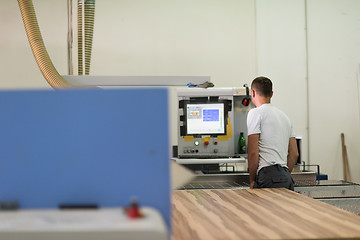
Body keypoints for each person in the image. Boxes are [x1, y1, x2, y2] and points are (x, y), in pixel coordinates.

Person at [247, 76, 299, 190]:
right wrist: (283, 175)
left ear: (253, 92)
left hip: (267, 176)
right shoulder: (285, 117)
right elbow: (294, 153)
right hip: (286, 177)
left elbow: (252, 153)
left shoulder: (255, 113)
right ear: (271, 93)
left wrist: (252, 180)